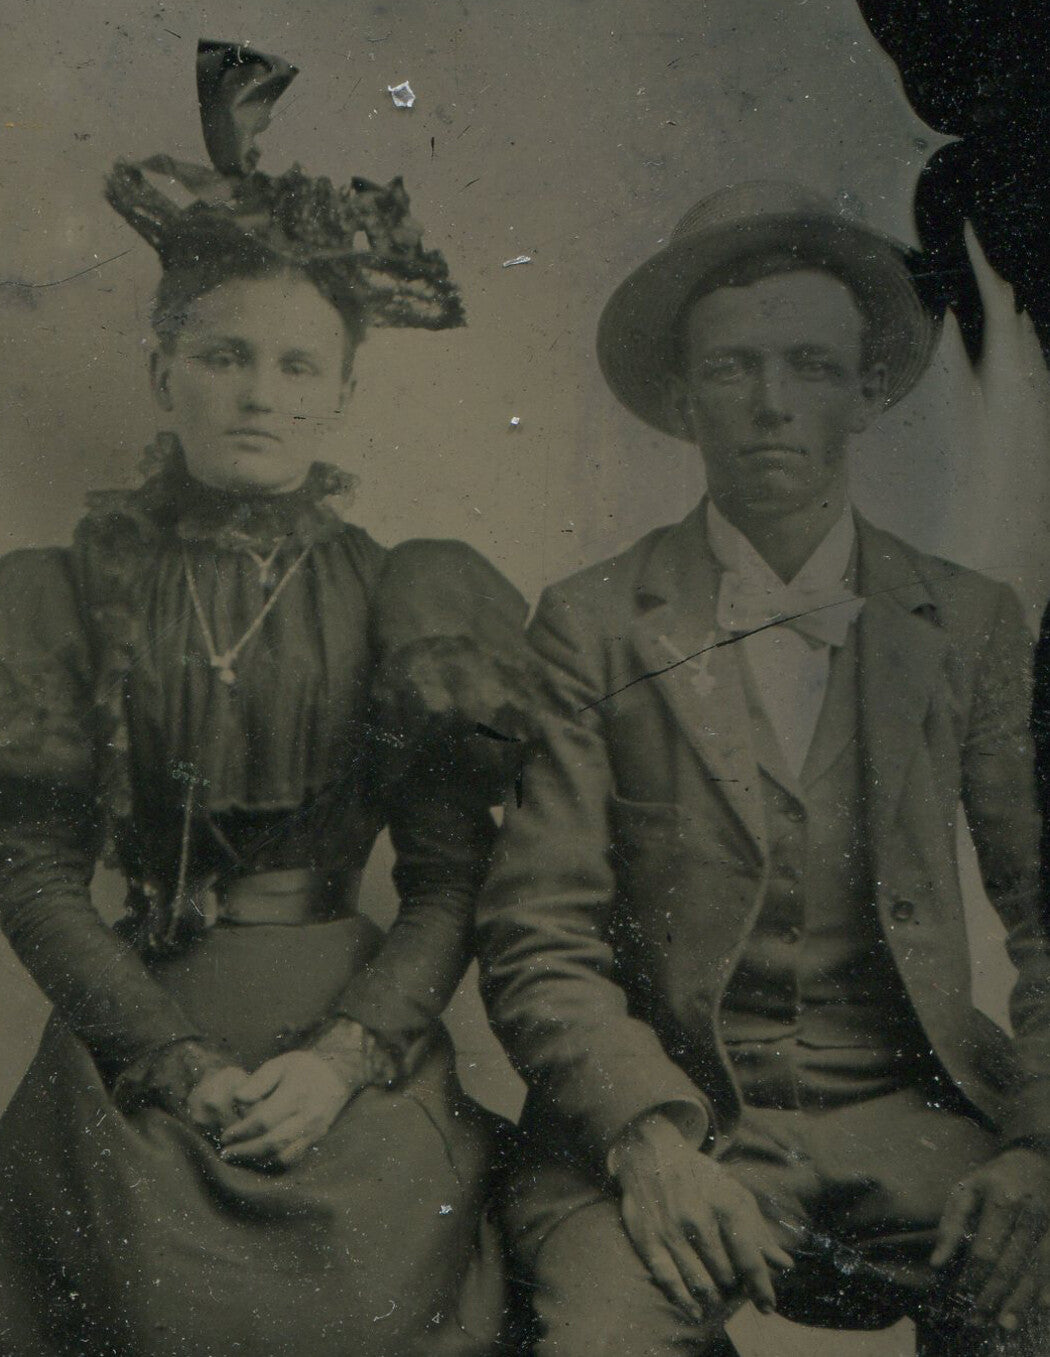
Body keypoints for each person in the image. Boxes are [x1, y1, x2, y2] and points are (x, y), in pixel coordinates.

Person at [0, 41, 528, 1357]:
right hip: (135, 1045)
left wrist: (345, 1057)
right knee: (137, 1295)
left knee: (374, 1294)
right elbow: (30, 866)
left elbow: (453, 879)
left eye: (297, 367)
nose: (259, 394)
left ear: (341, 392)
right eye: (225, 356)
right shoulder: (62, 591)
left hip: (346, 1040)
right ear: (162, 370)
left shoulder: (407, 594)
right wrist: (167, 1060)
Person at [477, 181, 1050, 1354]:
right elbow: (542, 933)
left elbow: (1047, 915)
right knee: (598, 1342)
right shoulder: (592, 624)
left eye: (811, 366)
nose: (773, 406)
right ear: (683, 400)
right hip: (677, 1120)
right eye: (734, 369)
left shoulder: (973, 624)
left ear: (869, 390)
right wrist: (645, 1140)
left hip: (917, 1115)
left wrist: (1043, 1143)